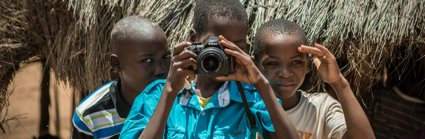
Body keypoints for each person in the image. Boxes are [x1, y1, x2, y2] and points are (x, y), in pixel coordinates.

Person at [120, 0, 299, 138]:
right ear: (193, 39)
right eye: (217, 47)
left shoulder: (252, 97)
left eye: (235, 48)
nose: (224, 56)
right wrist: (170, 90)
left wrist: (261, 84)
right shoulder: (156, 96)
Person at [253, 18, 375, 139]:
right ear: (255, 65)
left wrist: (339, 83)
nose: (285, 73)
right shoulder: (244, 106)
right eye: (273, 64)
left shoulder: (321, 108)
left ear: (308, 66)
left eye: (296, 62)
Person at [72, 16, 170, 139]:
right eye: (147, 60)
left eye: (165, 56)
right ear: (116, 64)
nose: (161, 69)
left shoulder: (183, 101)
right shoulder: (90, 116)